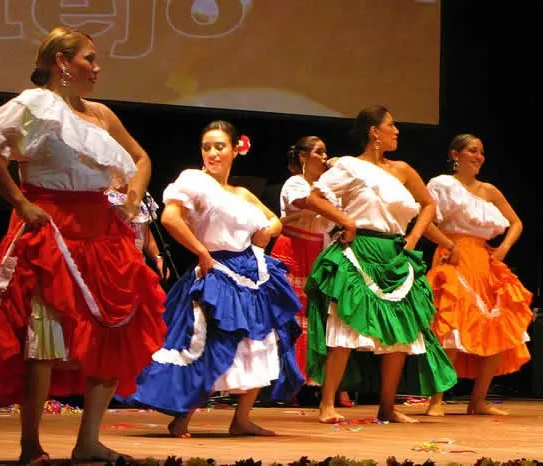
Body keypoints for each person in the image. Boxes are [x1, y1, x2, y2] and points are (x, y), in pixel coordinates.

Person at [0, 26, 166, 463]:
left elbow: (141, 158)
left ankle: (88, 440)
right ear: (62, 63)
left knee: (111, 331)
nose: (97, 67)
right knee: (42, 337)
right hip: (51, 226)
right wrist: (21, 202)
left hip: (102, 229)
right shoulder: (32, 107)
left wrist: (134, 196)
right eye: (90, 58)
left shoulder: (100, 114)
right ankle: (31, 444)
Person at [119, 120, 303, 437]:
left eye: (220, 146)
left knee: (259, 342)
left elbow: (275, 221)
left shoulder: (242, 193)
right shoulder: (194, 181)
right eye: (207, 147)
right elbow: (170, 218)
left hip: (254, 272)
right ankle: (182, 418)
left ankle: (242, 419)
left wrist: (266, 232)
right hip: (217, 270)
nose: (213, 153)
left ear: (235, 150)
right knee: (211, 343)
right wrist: (201, 252)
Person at [303, 105, 457, 424]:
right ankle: (327, 403)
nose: (397, 131)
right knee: (346, 324)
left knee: (400, 331)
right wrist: (345, 219)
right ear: (374, 131)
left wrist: (413, 240)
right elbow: (315, 198)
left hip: (395, 252)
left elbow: (428, 205)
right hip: (359, 249)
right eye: (391, 125)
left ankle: (387, 406)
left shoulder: (402, 169)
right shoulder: (349, 167)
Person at [424, 134, 533, 416]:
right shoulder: (442, 185)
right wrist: (448, 245)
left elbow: (516, 222)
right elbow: (425, 223)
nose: (479, 156)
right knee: (453, 326)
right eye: (473, 150)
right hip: (454, 256)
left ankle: (478, 400)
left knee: (499, 325)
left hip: (483, 260)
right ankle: (437, 399)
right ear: (455, 155)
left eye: (482, 152)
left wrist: (504, 248)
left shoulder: (489, 190)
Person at [270, 137, 352, 407]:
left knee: (315, 319)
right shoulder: (296, 184)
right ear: (304, 157)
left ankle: (313, 382)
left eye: (326, 151)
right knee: (291, 318)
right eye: (319, 152)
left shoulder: (326, 189)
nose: (325, 156)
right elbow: (311, 204)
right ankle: (287, 383)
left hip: (317, 250)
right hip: (293, 249)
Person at [105, 188, 169, 280]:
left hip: (138, 263)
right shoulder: (104, 195)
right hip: (114, 264)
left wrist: (158, 258)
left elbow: (145, 233)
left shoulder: (142, 195)